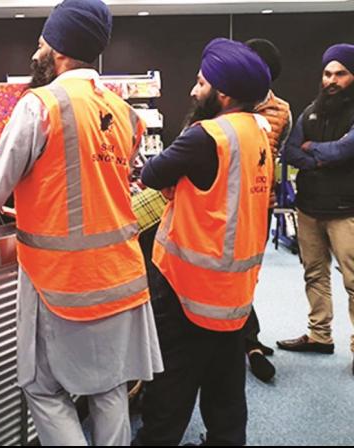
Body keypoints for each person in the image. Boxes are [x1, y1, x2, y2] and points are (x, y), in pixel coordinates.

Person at [0, 1, 162, 444]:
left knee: (42, 388)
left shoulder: (41, 104)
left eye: (40, 41)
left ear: (57, 49)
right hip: (121, 273)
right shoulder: (125, 112)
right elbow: (96, 184)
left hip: (60, 279)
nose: (36, 49)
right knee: (109, 387)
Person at [134, 38, 273, 446]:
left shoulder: (206, 136)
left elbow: (153, 174)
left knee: (170, 387)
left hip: (187, 286)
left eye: (200, 83)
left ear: (222, 93)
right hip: (235, 290)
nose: (194, 91)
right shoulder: (259, 134)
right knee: (225, 389)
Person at [279, 44, 354, 376]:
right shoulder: (310, 111)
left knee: (353, 281)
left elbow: (347, 148)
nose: (332, 80)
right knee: (314, 273)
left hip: (346, 209)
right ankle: (319, 335)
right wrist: (325, 156)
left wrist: (318, 153)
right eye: (327, 74)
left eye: (340, 73)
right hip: (309, 207)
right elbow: (291, 151)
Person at [239, 38, 293, 383]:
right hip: (217, 204)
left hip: (257, 203)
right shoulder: (223, 100)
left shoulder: (282, 112)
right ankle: (249, 343)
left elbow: (274, 157)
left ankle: (247, 338)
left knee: (248, 273)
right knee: (219, 275)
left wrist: (271, 190)